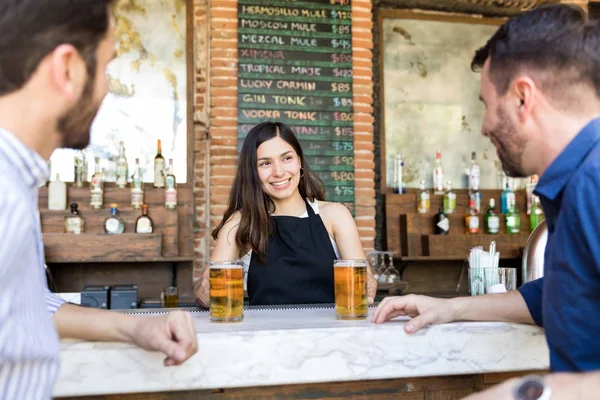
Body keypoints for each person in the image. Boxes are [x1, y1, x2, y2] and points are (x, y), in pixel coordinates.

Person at [373, 2, 600, 396]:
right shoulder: (574, 181)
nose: (484, 126)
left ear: (523, 98)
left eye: (486, 103)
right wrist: (451, 308)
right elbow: (560, 296)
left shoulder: (593, 182)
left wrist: (523, 393)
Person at [0, 2, 197, 399]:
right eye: (107, 66)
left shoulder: (16, 182)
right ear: (68, 69)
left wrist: (136, 326)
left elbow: (30, 305)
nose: (107, 86)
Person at [195, 121, 377, 306]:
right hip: (265, 333)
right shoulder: (241, 222)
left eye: (286, 158)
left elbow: (366, 288)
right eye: (265, 163)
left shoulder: (336, 215)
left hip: (329, 332)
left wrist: (366, 287)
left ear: (299, 160)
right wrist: (206, 291)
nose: (279, 172)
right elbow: (206, 295)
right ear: (252, 172)